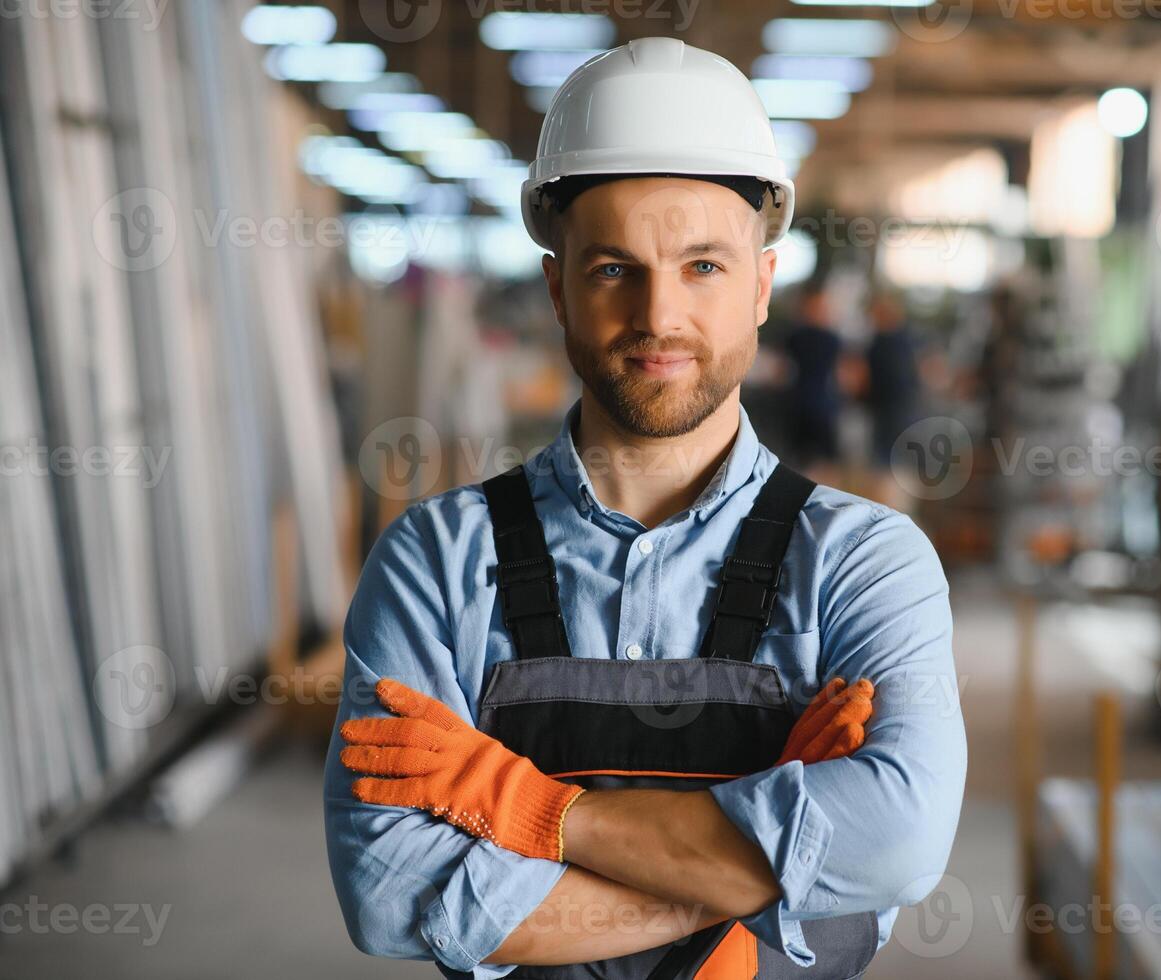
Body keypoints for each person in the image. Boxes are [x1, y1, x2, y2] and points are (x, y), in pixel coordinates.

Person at [323, 38, 966, 980]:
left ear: (761, 284)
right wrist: (774, 858)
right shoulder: (435, 561)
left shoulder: (865, 564)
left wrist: (538, 815)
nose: (658, 316)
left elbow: (896, 847)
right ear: (558, 288)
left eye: (703, 266)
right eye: (614, 268)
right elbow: (386, 895)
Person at [783, 283, 845, 472]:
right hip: (811, 404)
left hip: (811, 404)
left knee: (811, 458)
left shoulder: (797, 336)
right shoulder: (827, 338)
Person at [863, 290, 923, 467]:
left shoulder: (882, 342)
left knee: (886, 459)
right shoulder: (905, 340)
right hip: (901, 404)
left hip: (888, 406)